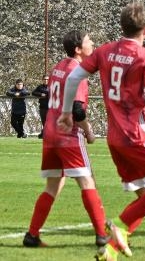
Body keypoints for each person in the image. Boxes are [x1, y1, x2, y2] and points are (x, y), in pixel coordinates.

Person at [57, 2, 145, 261]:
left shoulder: (105, 51)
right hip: (136, 135)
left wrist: (65, 112)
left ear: (122, 26)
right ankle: (116, 224)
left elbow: (73, 79)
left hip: (115, 139)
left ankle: (110, 250)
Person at [23, 30, 108, 248]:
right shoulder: (78, 71)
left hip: (50, 134)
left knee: (53, 185)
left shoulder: (58, 67)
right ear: (78, 49)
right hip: (67, 135)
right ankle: (101, 234)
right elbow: (77, 110)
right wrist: (88, 131)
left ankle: (32, 235)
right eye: (89, 41)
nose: (93, 44)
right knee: (86, 180)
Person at [32, 75, 50, 139]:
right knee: (44, 122)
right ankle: (43, 134)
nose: (46, 81)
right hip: (43, 107)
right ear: (42, 80)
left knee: (49, 122)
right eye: (44, 79)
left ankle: (43, 134)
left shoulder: (52, 86)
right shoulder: (40, 87)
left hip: (51, 108)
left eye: (47, 79)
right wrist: (41, 94)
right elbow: (33, 92)